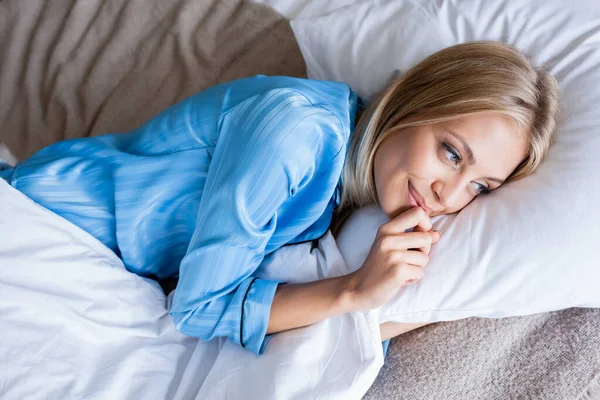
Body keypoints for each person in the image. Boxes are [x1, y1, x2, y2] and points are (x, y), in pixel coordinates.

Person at [0, 41, 559, 356]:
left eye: (480, 188)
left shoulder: (352, 188)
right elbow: (197, 308)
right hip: (50, 218)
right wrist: (353, 291)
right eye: (452, 153)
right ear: (412, 102)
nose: (448, 195)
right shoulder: (297, 135)